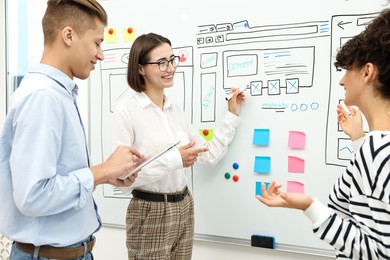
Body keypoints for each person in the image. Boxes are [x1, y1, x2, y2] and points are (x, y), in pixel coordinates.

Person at [0, 1, 143, 259]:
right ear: (68, 35)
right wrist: (101, 170)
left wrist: (102, 176)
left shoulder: (59, 93)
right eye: (97, 42)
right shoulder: (43, 97)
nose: (100, 54)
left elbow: (56, 177)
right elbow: (32, 196)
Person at [257, 8, 390, 260]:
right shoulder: (374, 147)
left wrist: (309, 206)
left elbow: (378, 251)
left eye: (348, 70)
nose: (341, 81)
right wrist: (359, 140)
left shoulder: (378, 150)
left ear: (367, 72)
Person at [113, 32, 246, 259]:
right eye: (161, 62)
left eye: (172, 60)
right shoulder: (127, 110)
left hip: (184, 205)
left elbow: (209, 155)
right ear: (140, 68)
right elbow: (122, 179)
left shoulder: (176, 112)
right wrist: (175, 160)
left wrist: (231, 116)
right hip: (149, 210)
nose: (170, 68)